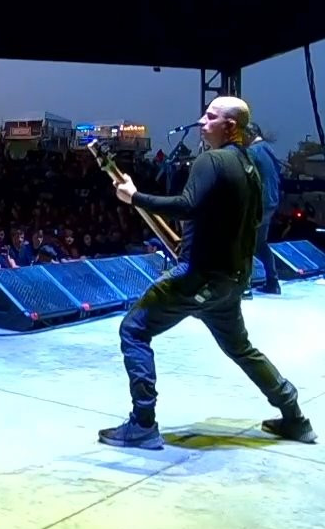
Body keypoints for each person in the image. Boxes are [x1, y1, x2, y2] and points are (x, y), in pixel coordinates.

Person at [103, 97, 313, 449]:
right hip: (231, 281)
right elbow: (252, 219)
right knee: (242, 349)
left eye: (210, 117)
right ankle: (295, 417)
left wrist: (135, 197)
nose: (201, 121)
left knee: (134, 330)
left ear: (229, 126)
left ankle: (142, 423)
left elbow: (186, 206)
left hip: (198, 277)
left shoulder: (211, 161)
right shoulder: (250, 165)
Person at [245, 130, 284, 295]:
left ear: (249, 134)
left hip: (258, 204)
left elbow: (246, 176)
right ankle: (273, 282)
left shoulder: (252, 151)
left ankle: (245, 287)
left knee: (245, 243)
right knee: (260, 243)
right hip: (271, 201)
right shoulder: (267, 148)